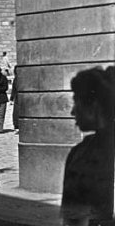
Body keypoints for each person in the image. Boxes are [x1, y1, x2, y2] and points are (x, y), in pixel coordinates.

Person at [61, 67, 114, 226]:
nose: (72, 111)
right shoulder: (79, 152)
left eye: (76, 101)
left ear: (95, 105)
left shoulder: (80, 154)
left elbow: (72, 221)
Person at [10, 66, 19, 132]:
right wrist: (11, 98)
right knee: (16, 112)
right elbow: (13, 90)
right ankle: (16, 125)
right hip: (17, 98)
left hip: (22, 98)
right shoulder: (16, 79)